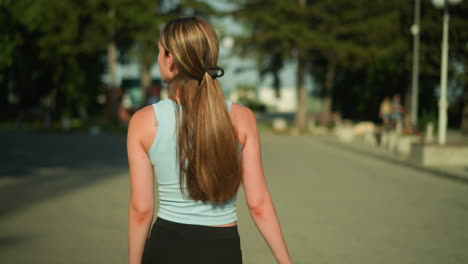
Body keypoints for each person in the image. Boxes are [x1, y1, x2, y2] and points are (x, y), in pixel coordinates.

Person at [127, 17, 291, 264]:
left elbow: (141, 211)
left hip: (166, 248)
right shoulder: (242, 118)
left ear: (170, 59)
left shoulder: (144, 121)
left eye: (159, 51)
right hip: (221, 250)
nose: (158, 58)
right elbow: (258, 204)